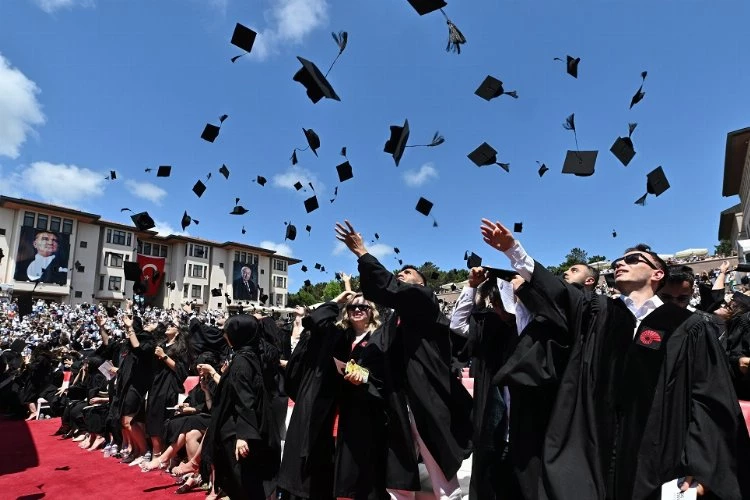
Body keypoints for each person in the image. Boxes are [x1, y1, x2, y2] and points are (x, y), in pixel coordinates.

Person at [480, 218, 750, 500]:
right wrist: (514, 250)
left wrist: (700, 462)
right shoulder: (599, 311)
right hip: (592, 444)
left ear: (657, 274)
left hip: (654, 453)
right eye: (619, 259)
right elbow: (559, 293)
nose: (621, 263)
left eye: (633, 259)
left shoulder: (687, 326)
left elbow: (707, 397)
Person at [335, 220, 472, 500]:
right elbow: (373, 358)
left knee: (440, 471)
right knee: (397, 471)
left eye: (408, 272)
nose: (402, 274)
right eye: (400, 271)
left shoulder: (424, 301)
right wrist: (356, 373)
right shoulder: (390, 324)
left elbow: (389, 288)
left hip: (426, 396)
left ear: (421, 283)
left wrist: (362, 252)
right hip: (398, 401)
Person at [202, 314, 281, 499]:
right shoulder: (252, 354)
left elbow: (245, 399)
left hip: (238, 430)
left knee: (244, 483)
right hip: (250, 426)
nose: (224, 335)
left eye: (227, 331)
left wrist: (243, 435)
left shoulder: (241, 361)